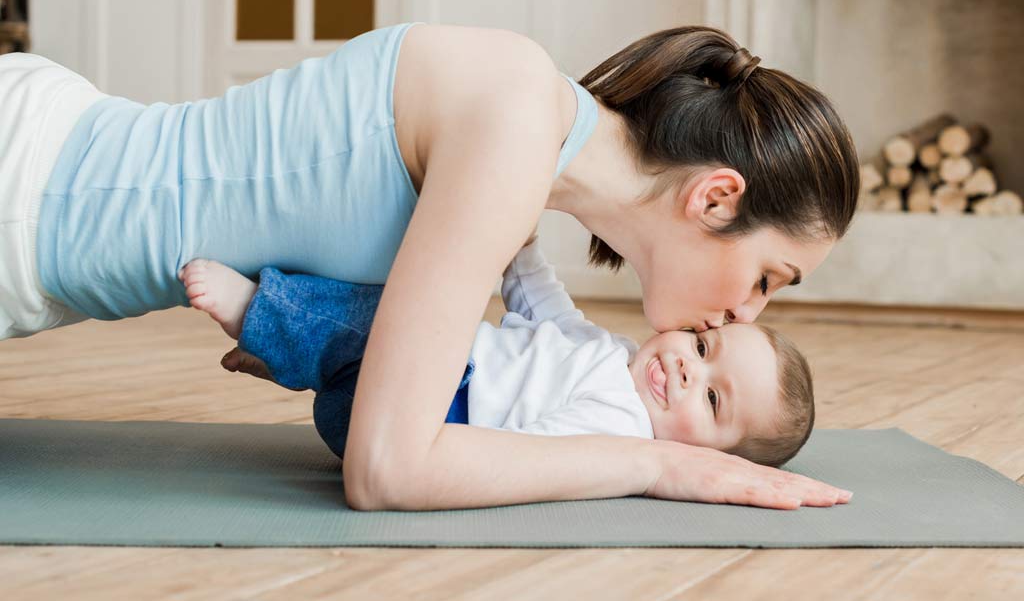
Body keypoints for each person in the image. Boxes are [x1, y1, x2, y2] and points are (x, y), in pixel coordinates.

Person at [0, 21, 859, 510]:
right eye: (768, 279)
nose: (745, 315)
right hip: (24, 196)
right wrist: (659, 463)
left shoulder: (531, 118)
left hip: (48, 162)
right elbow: (386, 469)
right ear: (715, 199)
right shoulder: (517, 130)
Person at [178, 238, 816, 471]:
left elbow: (532, 454)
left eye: (710, 397)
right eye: (703, 346)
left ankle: (256, 312)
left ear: (699, 454)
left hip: (442, 404)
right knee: (377, 307)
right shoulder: (614, 353)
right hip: (389, 406)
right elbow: (544, 307)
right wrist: (521, 245)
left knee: (371, 318)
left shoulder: (621, 428)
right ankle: (286, 351)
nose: (685, 367)